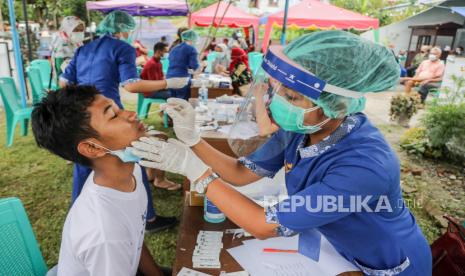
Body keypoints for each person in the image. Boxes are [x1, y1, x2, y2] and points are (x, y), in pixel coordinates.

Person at [132, 31, 432, 275]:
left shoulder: (366, 167)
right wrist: (194, 139)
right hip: (338, 250)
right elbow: (240, 173)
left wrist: (195, 171)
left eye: (292, 97)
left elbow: (264, 225)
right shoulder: (301, 127)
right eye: (280, 90)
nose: (279, 103)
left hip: (387, 263)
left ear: (336, 104)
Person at [60, 11, 186, 232]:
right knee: (132, 158)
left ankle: (78, 216)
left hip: (81, 116)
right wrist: (168, 82)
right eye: (129, 29)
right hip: (109, 114)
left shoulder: (83, 49)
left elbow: (64, 83)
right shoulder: (123, 48)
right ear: (122, 29)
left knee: (84, 164)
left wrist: (81, 103)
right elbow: (131, 85)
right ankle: (148, 219)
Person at [31, 86, 170, 276]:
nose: (131, 114)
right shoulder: (104, 232)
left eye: (118, 107)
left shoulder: (132, 172)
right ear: (91, 148)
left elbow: (133, 239)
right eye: (113, 115)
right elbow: (118, 238)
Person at [140, 42, 181, 191]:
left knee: (175, 93)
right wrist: (167, 84)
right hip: (150, 92)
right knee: (173, 95)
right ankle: (159, 179)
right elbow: (153, 84)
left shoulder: (157, 63)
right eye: (164, 51)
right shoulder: (151, 64)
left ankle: (152, 172)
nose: (166, 54)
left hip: (156, 88)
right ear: (158, 51)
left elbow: (160, 80)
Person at [166, 29, 200, 100]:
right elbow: (194, 66)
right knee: (182, 102)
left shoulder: (174, 48)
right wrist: (200, 66)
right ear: (192, 39)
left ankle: (170, 111)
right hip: (181, 80)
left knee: (172, 101)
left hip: (169, 78)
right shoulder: (191, 49)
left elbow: (173, 62)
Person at [50, 16, 85, 84]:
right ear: (68, 29)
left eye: (81, 30)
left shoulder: (78, 42)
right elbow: (62, 70)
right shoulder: (60, 43)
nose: (79, 33)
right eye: (76, 30)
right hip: (64, 83)